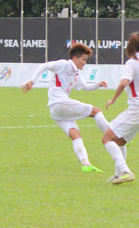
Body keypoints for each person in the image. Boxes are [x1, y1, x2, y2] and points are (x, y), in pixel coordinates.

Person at [21, 43, 109, 172]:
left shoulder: (76, 73)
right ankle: (114, 135)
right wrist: (32, 81)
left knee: (75, 134)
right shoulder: (64, 64)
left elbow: (84, 87)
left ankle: (86, 164)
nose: (85, 63)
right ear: (75, 58)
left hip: (56, 110)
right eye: (83, 59)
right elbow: (44, 65)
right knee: (96, 111)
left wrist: (98, 85)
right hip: (61, 103)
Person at [103, 32, 139, 185]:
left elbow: (124, 82)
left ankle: (126, 172)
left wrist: (113, 100)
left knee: (106, 138)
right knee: (119, 141)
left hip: (137, 107)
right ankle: (117, 174)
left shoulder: (132, 62)